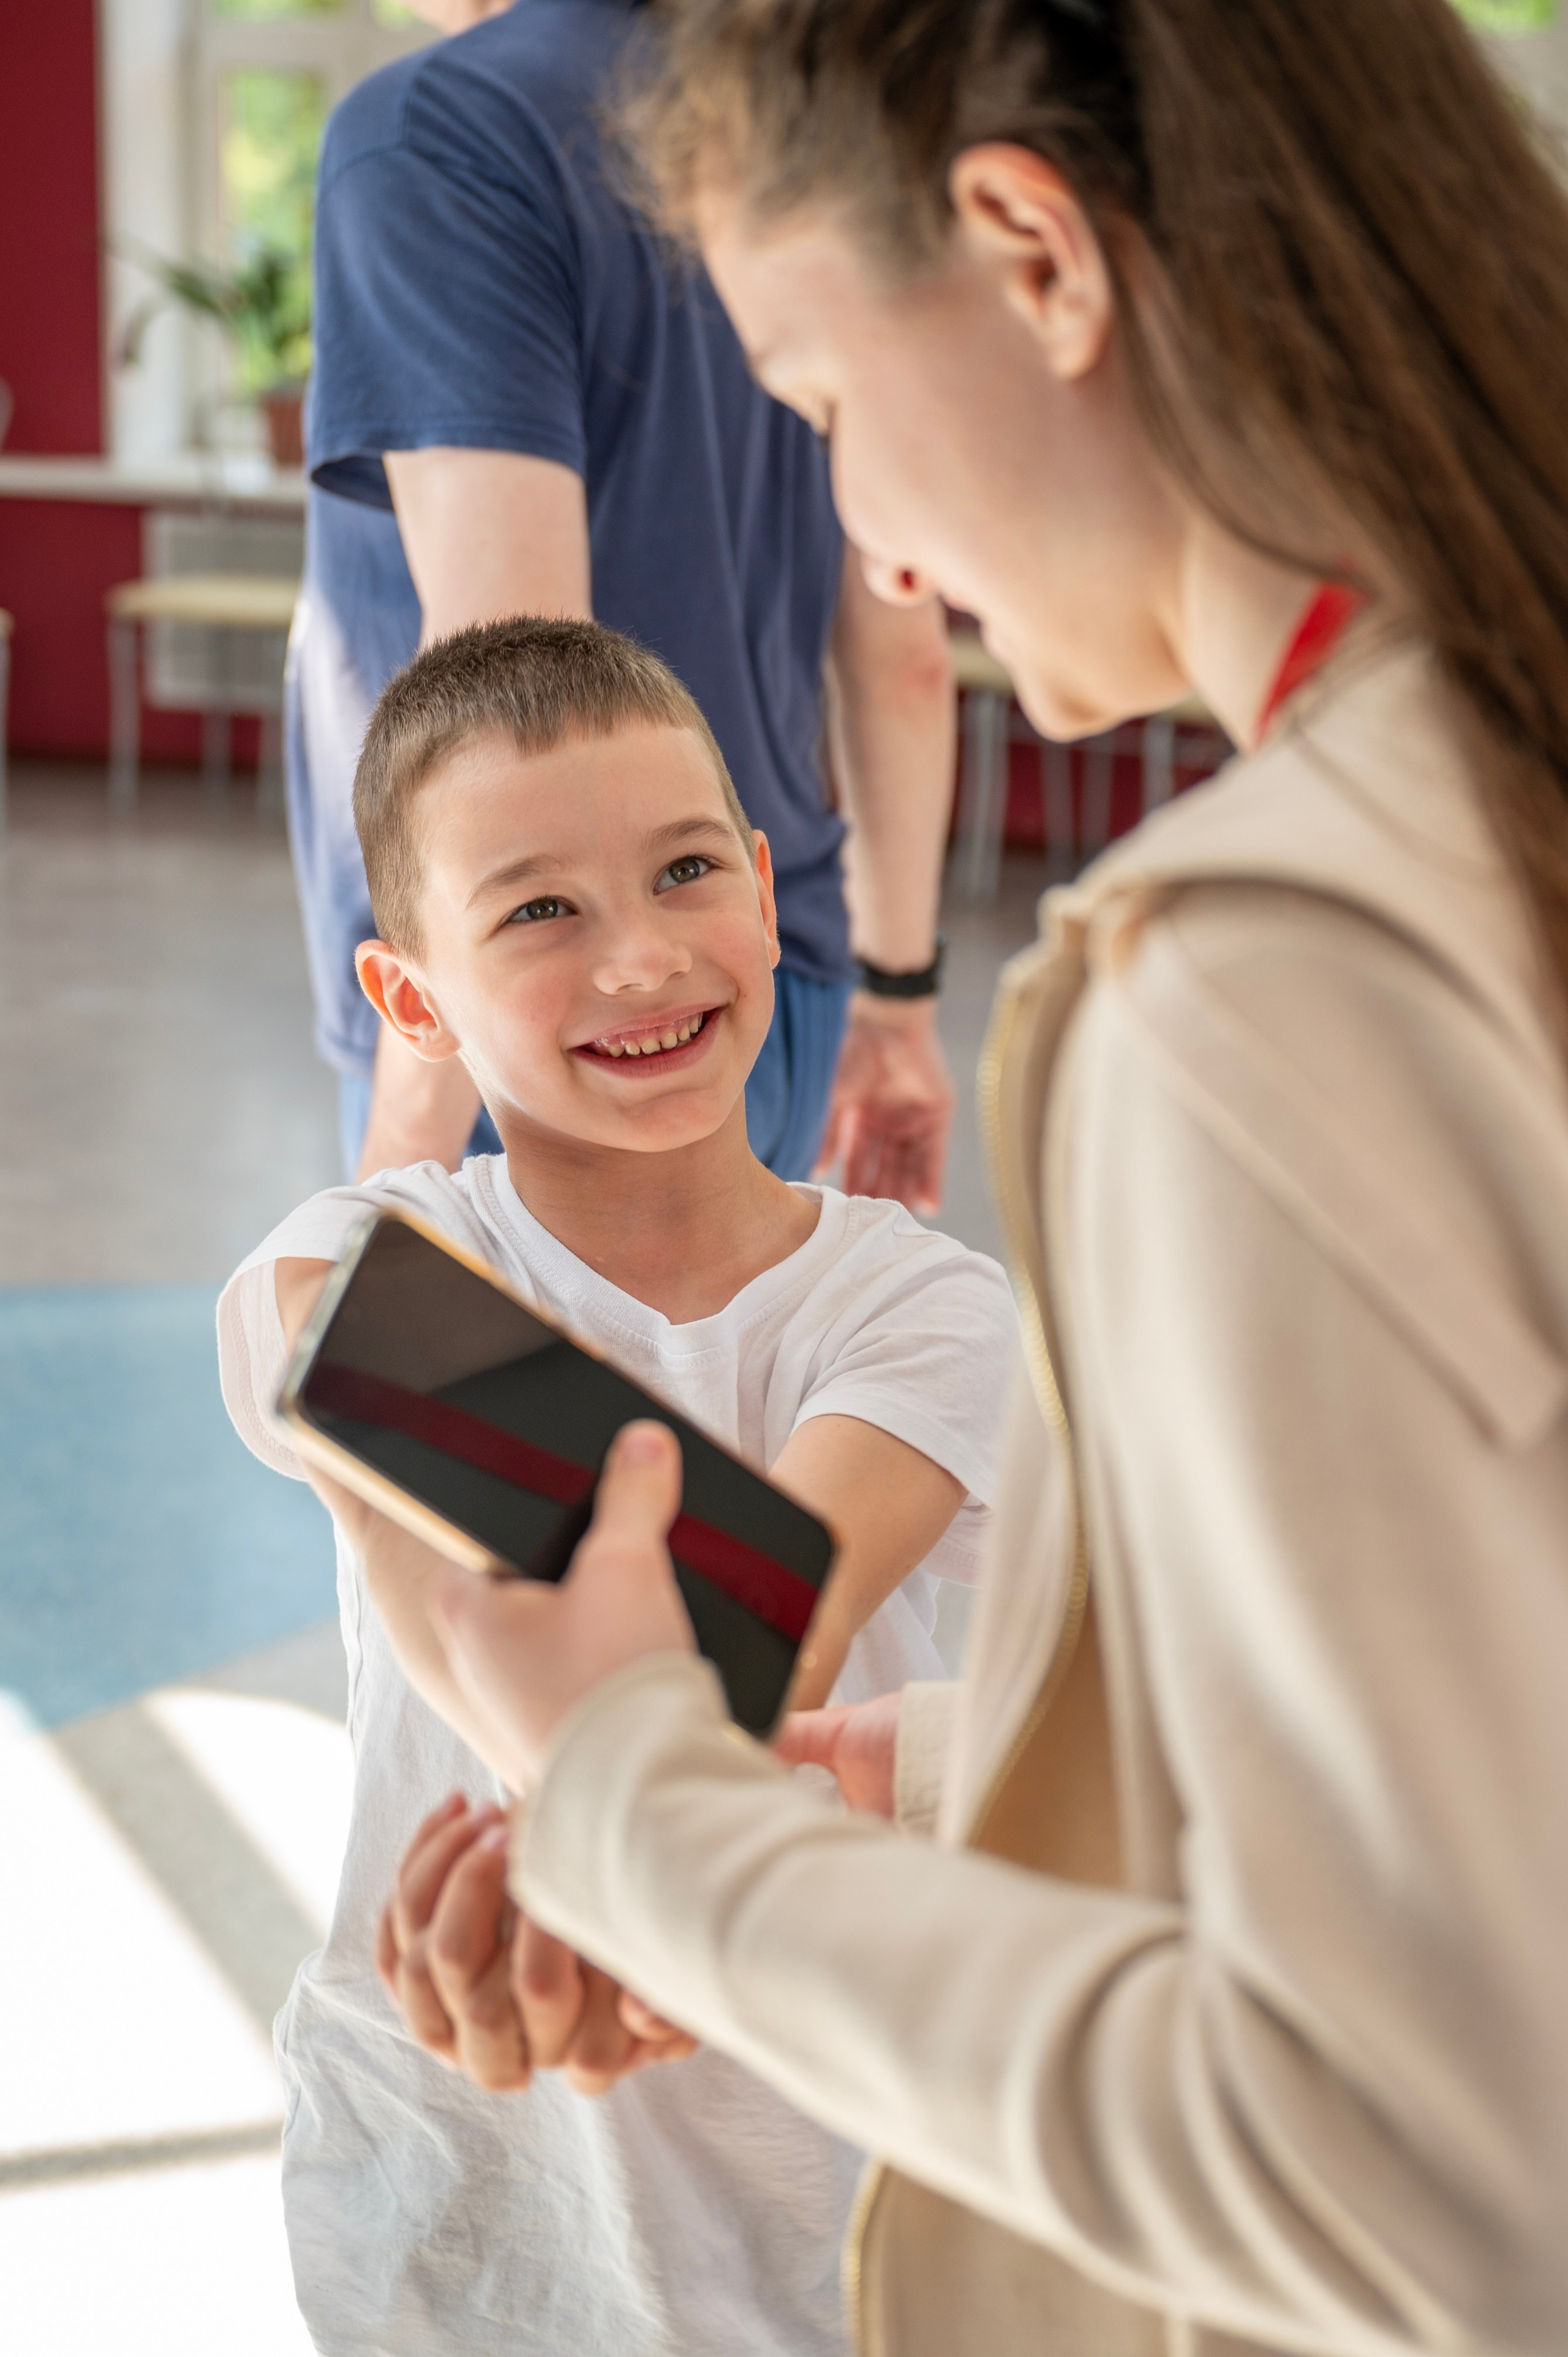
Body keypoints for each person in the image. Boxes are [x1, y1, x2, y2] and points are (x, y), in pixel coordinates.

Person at [383, 1, 1568, 2351]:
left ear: (1034, 253)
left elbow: (1423, 2173)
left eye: (819, 401)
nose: (870, 539)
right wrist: (946, 1779)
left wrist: (644, 1801)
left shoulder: (1256, 978)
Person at [217, 615, 1020, 2357]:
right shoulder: (358, 1263)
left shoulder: (919, 1304)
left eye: (680, 875)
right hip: (453, 2182)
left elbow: (758, 1628)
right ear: (411, 998)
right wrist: (594, 1801)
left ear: (762, 878)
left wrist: (583, 1811)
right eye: (540, 912)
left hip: (829, 2200)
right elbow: (430, 1560)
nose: (643, 960)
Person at [288, 0, 957, 1199]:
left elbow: (510, 700)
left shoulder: (438, 136)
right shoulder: (795, 123)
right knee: (724, 1396)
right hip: (767, 985)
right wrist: (895, 997)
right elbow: (898, 647)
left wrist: (398, 1163)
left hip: (541, 1026)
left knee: (516, 1396)